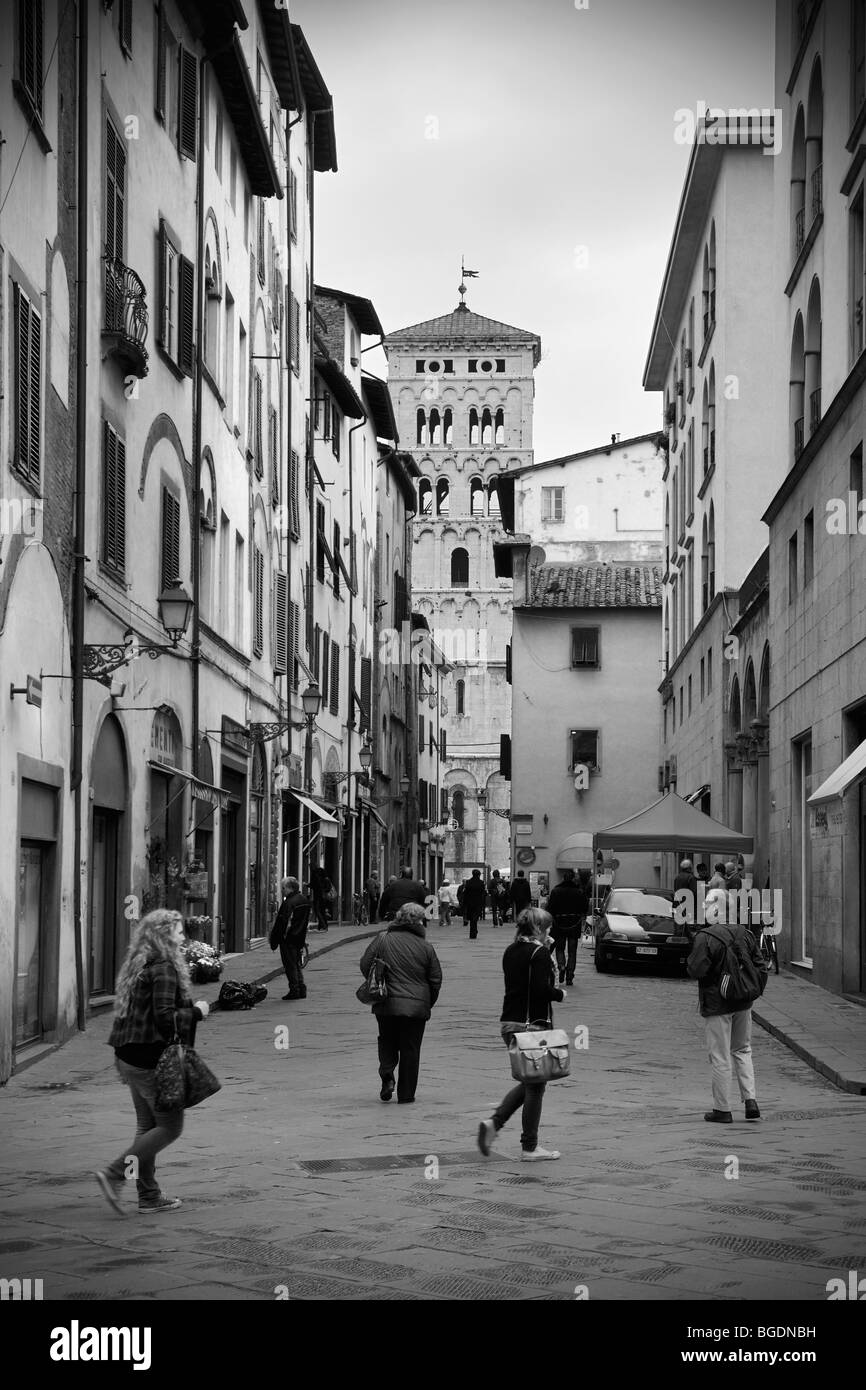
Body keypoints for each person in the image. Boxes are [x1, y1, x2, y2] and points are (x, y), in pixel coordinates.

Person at [95, 910, 211, 1215]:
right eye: (178, 931)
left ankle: (148, 1196)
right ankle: (113, 1173)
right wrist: (198, 1011)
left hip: (128, 1056)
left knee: (147, 1126)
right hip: (150, 1059)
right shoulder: (164, 969)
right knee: (170, 1128)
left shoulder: (140, 964)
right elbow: (164, 1019)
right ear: (164, 936)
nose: (184, 936)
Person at [477, 908, 566, 1161]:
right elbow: (541, 989)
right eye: (547, 927)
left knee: (530, 1081)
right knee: (536, 1086)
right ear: (540, 929)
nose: (550, 931)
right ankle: (530, 1147)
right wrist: (559, 994)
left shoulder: (511, 950)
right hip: (532, 1025)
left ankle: (495, 1124)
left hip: (509, 1023)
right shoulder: (539, 953)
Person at [686, 887, 767, 1124]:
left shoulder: (706, 936)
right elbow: (761, 967)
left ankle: (722, 1109)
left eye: (707, 903)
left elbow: (696, 970)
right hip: (743, 1002)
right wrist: (752, 990)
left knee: (720, 1056)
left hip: (717, 1003)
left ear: (716, 908)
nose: (703, 907)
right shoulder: (746, 934)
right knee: (743, 1049)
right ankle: (750, 1100)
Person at [359, 902, 442, 1104]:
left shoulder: (382, 939)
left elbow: (365, 964)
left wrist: (379, 980)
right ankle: (406, 1094)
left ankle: (387, 1076)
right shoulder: (426, 947)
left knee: (386, 1040)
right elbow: (435, 979)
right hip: (416, 1007)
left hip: (386, 1001)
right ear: (419, 921)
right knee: (411, 1049)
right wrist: (427, 1002)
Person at [272, 876, 310, 1000]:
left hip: (288, 939)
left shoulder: (289, 903)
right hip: (299, 937)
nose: (282, 890)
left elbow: (283, 923)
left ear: (289, 888)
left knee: (290, 965)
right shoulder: (304, 900)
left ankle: (295, 990)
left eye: (283, 888)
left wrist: (275, 939)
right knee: (296, 964)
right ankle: (301, 988)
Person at [546, 868, 586, 986]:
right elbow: (584, 907)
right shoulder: (579, 891)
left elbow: (550, 908)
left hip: (559, 923)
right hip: (574, 923)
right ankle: (569, 975)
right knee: (572, 951)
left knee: (560, 948)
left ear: (563, 878)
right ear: (573, 878)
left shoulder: (556, 891)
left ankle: (561, 966)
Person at [462, 868, 487, 940]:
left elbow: (466, 893)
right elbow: (484, 893)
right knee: (475, 918)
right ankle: (474, 932)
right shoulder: (481, 883)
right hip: (478, 903)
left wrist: (464, 903)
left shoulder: (468, 882)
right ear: (479, 875)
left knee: (471, 918)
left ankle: (472, 933)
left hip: (470, 903)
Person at [673, 857, 698, 926]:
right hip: (688, 907)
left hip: (679, 906)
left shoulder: (677, 877)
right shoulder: (691, 878)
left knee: (681, 927)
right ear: (690, 868)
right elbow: (695, 893)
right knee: (689, 927)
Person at [309, 864, 332, 932]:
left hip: (318, 896)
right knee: (322, 911)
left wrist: (307, 885)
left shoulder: (315, 875)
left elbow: (314, 885)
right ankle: (321, 927)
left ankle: (324, 926)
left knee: (317, 910)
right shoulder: (324, 877)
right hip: (324, 897)